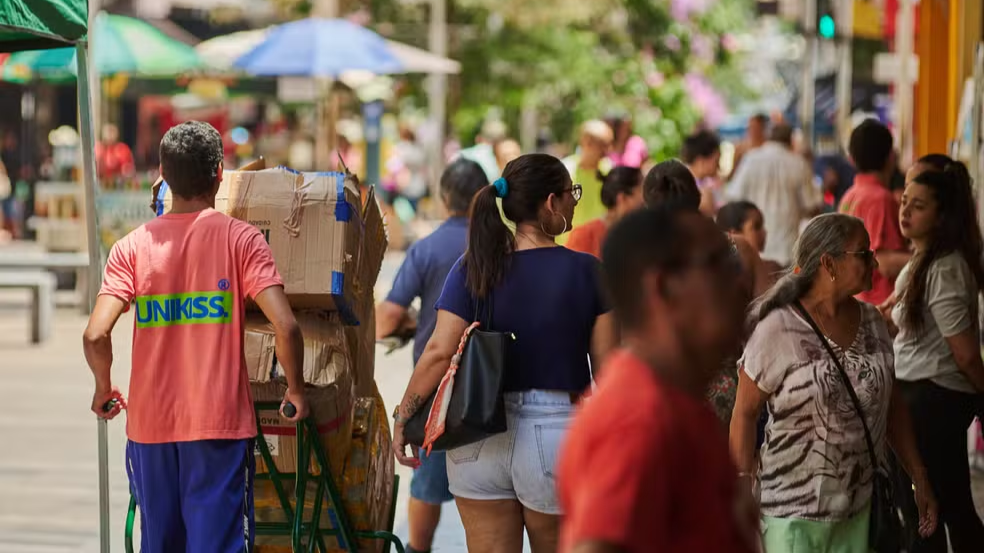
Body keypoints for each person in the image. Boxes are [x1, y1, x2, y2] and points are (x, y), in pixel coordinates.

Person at [82, 121, 308, 553]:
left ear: (162, 174)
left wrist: (103, 388)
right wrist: (295, 389)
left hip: (150, 428)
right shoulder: (241, 239)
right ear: (219, 173)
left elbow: (95, 334)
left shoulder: (131, 247)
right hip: (218, 426)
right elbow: (287, 325)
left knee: (160, 543)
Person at [391, 153, 618, 553]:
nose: (575, 202)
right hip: (557, 435)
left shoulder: (473, 268)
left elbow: (439, 351)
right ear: (551, 202)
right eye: (572, 193)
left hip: (476, 436)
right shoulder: (588, 271)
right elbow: (610, 373)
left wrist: (404, 417)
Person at [730, 213, 937, 552]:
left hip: (860, 513)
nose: (874, 262)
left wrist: (918, 476)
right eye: (863, 254)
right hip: (791, 516)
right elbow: (744, 412)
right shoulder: (777, 328)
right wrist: (741, 490)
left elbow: (892, 404)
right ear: (829, 263)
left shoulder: (873, 323)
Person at [558, 205, 758, 553]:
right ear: (665, 288)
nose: (741, 281)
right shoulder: (637, 417)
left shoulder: (676, 400)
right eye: (720, 263)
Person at [375, 159, 488, 553]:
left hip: (437, 392)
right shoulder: (503, 246)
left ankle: (418, 549)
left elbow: (387, 317)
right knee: (492, 495)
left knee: (427, 485)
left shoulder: (427, 248)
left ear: (443, 198)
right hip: (495, 388)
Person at [889, 160, 984, 551]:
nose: (906, 212)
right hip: (917, 396)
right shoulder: (922, 260)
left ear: (941, 216)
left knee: (933, 510)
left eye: (919, 206)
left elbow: (965, 353)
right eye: (905, 202)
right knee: (938, 507)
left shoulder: (945, 268)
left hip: (932, 400)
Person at [727, 123, 824, 267]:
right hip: (787, 250)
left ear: (768, 138)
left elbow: (733, 197)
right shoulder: (798, 163)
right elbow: (812, 206)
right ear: (790, 141)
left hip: (754, 249)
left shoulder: (750, 159)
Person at [839, 119, 909, 305]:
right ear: (890, 157)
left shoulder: (849, 196)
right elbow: (885, 263)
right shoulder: (881, 199)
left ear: (852, 159)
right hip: (880, 303)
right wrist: (928, 259)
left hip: (856, 300)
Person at [566, 166, 643, 258]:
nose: (645, 200)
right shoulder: (584, 236)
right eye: (641, 190)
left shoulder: (640, 235)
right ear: (623, 198)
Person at [562, 120, 615, 234]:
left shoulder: (609, 171)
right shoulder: (565, 171)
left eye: (610, 144)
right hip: (569, 243)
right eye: (603, 145)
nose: (608, 150)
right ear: (587, 143)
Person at [716, 201, 784, 282]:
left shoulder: (773, 270)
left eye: (762, 226)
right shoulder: (722, 280)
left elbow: (795, 272)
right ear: (734, 234)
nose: (764, 232)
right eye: (756, 227)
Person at [680, 129, 722, 216]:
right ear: (701, 161)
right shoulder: (693, 190)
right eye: (716, 161)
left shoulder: (702, 184)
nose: (719, 167)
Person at [729, 113, 769, 177]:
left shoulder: (770, 146)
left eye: (755, 127)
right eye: (750, 127)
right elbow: (733, 171)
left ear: (762, 128)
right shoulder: (740, 147)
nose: (752, 130)